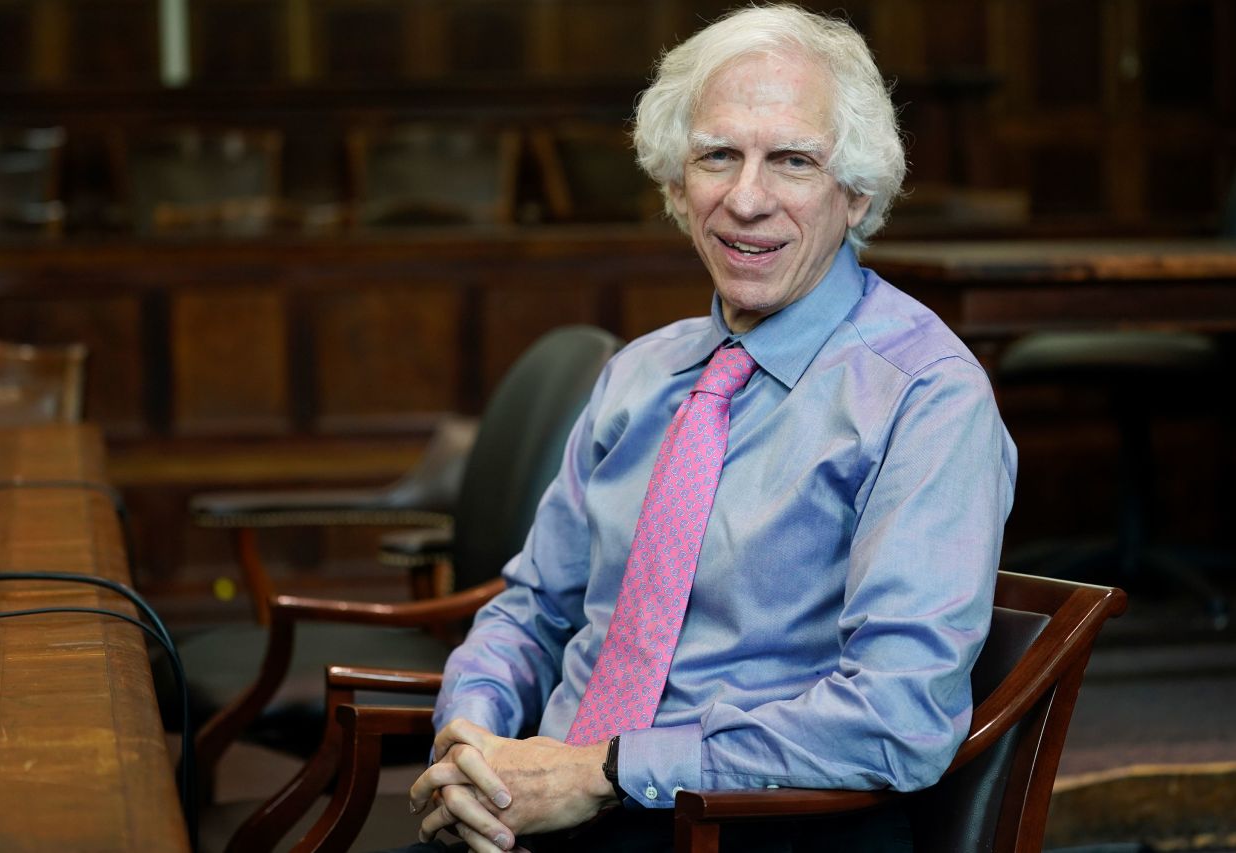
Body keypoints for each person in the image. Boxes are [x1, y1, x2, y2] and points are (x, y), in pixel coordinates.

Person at [400, 4, 1017, 852]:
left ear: (857, 192)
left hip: (753, 825)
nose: (747, 198)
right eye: (717, 156)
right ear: (674, 186)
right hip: (539, 808)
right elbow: (533, 608)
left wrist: (607, 771)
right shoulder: (640, 372)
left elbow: (896, 714)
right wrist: (472, 741)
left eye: (793, 160)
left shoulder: (928, 398)